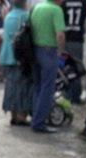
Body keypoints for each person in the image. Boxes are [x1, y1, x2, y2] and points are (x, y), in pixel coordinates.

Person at [30, 0, 66, 133]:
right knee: (48, 88)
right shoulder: (56, 10)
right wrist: (61, 52)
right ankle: (39, 123)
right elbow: (60, 34)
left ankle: (35, 118)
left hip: (35, 50)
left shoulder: (37, 7)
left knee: (38, 87)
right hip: (49, 51)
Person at [0, 0, 32, 125]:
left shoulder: (9, 15)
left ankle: (13, 114)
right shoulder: (25, 16)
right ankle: (21, 116)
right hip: (19, 55)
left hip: (6, 54)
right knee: (22, 86)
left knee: (11, 86)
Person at [61, 0, 86, 103]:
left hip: (63, 39)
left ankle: (65, 95)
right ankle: (75, 97)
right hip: (77, 40)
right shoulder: (85, 2)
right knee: (76, 69)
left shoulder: (62, 2)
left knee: (64, 68)